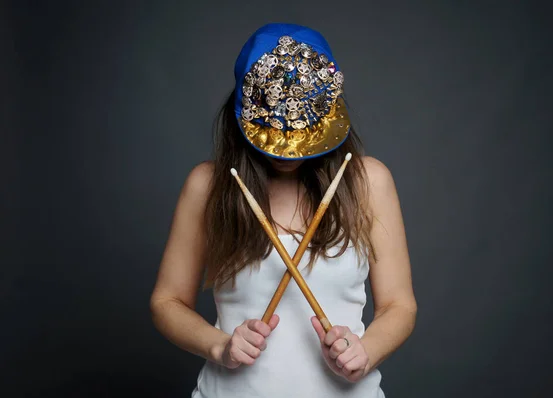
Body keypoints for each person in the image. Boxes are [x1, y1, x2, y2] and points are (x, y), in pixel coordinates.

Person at [150, 23, 417, 397]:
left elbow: (399, 305)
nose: (288, 155)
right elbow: (166, 302)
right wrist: (220, 346)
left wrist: (366, 351)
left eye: (302, 137)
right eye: (275, 137)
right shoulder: (208, 185)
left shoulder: (368, 182)